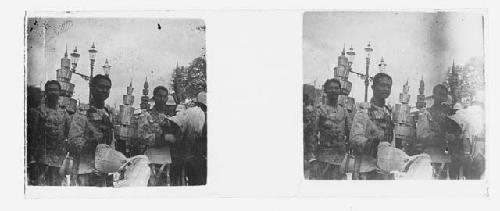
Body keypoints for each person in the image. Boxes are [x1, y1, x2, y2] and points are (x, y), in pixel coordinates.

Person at [68, 74, 114, 186]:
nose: (104, 90)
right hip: (85, 170)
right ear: (92, 88)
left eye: (107, 88)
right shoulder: (82, 112)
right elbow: (73, 141)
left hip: (104, 170)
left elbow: (112, 143)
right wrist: (94, 142)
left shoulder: (109, 113)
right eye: (101, 87)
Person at [349, 73, 395, 180]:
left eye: (389, 86)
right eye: (382, 85)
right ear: (373, 87)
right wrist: (372, 144)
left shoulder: (389, 113)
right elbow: (354, 139)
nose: (386, 89)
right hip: (366, 169)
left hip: (385, 170)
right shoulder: (363, 111)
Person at [306, 79, 351, 180]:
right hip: (322, 159)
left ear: (340, 90)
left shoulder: (344, 112)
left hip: (340, 160)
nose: (333, 90)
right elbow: (311, 136)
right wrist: (312, 160)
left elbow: (349, 135)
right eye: (330, 88)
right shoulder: (319, 110)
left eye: (336, 88)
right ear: (325, 90)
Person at [416, 84, 462, 179]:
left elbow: (459, 133)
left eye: (444, 95)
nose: (442, 97)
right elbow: (422, 135)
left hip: (448, 158)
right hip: (432, 157)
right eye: (439, 94)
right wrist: (443, 136)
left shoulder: (451, 114)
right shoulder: (426, 113)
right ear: (434, 96)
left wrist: (455, 136)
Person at [31, 81, 72, 186]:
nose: (53, 92)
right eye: (50, 90)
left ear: (59, 92)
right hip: (41, 160)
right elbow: (32, 136)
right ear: (46, 92)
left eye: (55, 90)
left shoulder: (65, 114)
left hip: (59, 160)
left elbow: (70, 136)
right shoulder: (38, 112)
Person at [168, 91, 207, 185]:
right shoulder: (199, 114)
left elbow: (178, 126)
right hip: (199, 156)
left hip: (191, 155)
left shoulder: (191, 112)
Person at [140, 86, 175, 186]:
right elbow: (142, 137)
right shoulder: (146, 115)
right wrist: (164, 138)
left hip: (169, 160)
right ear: (154, 97)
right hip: (152, 160)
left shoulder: (171, 118)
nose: (162, 99)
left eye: (164, 97)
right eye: (159, 96)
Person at [27, 86, 43, 185]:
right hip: (33, 152)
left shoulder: (34, 113)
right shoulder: (35, 113)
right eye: (39, 96)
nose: (41, 98)